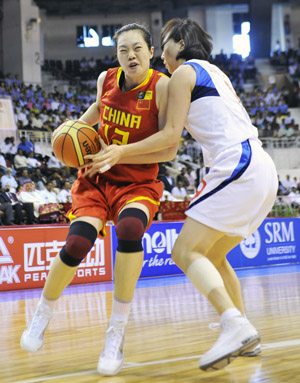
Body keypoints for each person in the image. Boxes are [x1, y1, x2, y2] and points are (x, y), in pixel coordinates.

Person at [86, 18, 278, 372]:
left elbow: (170, 140)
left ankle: (235, 325)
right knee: (214, 257)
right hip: (262, 167)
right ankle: (245, 335)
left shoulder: (182, 75)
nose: (162, 55)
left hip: (237, 160)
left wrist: (119, 151)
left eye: (164, 44)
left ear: (178, 43)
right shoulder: (214, 72)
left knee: (184, 251)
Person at [20, 23, 175, 377]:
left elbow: (167, 146)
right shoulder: (106, 78)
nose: (130, 55)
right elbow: (97, 110)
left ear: (150, 52)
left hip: (137, 181)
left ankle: (115, 333)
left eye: (137, 48)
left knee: (131, 228)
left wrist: (120, 154)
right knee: (76, 242)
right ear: (116, 55)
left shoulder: (162, 86)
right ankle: (42, 313)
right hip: (97, 176)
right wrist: (70, 130)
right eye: (123, 50)